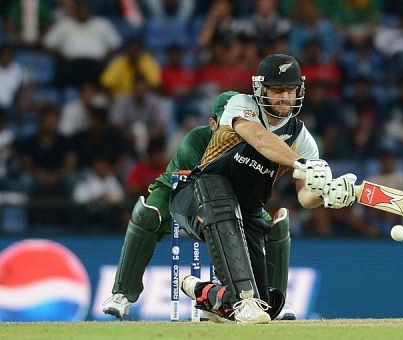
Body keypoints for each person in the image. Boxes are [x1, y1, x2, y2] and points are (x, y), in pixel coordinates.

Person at [169, 54, 356, 323]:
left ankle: (206, 293)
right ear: (261, 89)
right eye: (277, 90)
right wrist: (301, 164)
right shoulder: (241, 105)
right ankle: (243, 300)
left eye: (290, 90)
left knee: (265, 306)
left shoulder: (303, 140)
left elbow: (305, 196)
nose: (284, 97)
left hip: (247, 213)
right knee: (220, 196)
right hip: (196, 197)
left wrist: (327, 194)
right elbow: (259, 138)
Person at [101, 86, 307, 321]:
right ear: (213, 123)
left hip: (232, 197)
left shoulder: (254, 140)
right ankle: (122, 294)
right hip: (178, 190)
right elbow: (195, 183)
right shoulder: (197, 138)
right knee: (148, 214)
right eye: (227, 122)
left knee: (274, 227)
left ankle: (272, 301)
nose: (233, 130)